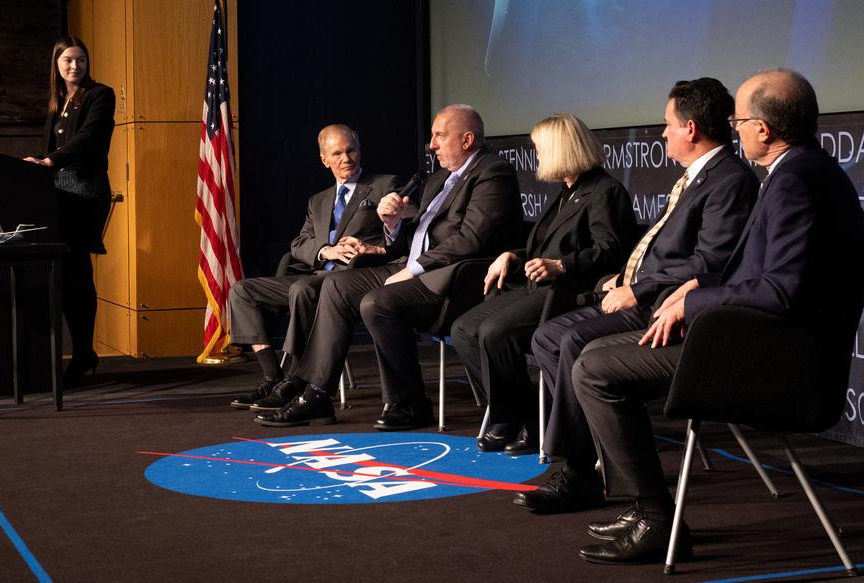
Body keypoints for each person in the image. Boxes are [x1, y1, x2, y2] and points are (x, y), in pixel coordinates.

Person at [570, 68, 864, 565]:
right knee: (595, 351)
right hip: (755, 338)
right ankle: (649, 510)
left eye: (740, 120)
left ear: (764, 130)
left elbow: (781, 291)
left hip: (771, 359)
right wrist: (702, 285)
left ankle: (657, 519)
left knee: (594, 369)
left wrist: (694, 303)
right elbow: (769, 277)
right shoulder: (803, 170)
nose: (735, 128)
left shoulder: (796, 181)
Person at [518, 78, 757, 513]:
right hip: (645, 295)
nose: (662, 133)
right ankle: (592, 457)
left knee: (574, 341)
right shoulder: (698, 178)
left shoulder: (729, 181)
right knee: (547, 337)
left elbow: (710, 263)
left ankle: (578, 471)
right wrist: (621, 280)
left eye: (667, 124)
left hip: (668, 310)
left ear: (690, 129)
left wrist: (638, 288)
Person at [256, 104, 523, 430]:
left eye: (439, 135)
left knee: (377, 302)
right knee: (336, 285)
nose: (432, 145)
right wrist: (394, 224)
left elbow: (472, 240)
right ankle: (316, 392)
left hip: (455, 281)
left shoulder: (492, 171)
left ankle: (408, 403)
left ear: (467, 139)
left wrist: (412, 270)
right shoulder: (441, 178)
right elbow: (414, 238)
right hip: (415, 267)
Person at [451, 113, 636, 456]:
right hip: (535, 285)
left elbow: (610, 252)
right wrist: (513, 255)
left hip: (567, 291)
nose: (536, 158)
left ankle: (533, 424)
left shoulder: (604, 191)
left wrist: (562, 265)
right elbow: (544, 248)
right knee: (464, 329)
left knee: (495, 332)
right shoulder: (566, 191)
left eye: (540, 150)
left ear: (561, 149)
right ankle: (510, 415)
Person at [226, 125, 398, 411]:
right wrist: (324, 250)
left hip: (352, 279)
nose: (347, 158)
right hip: (314, 274)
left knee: (302, 290)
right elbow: (299, 243)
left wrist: (377, 243)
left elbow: (403, 232)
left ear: (360, 150)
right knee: (242, 290)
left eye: (351, 150)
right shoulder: (318, 200)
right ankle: (273, 376)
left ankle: (297, 380)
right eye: (338, 153)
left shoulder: (385, 185)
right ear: (324, 160)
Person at [25, 36, 115, 387]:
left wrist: (50, 161)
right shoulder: (56, 101)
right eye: (68, 61)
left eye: (80, 60)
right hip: (57, 192)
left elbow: (90, 137)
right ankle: (81, 354)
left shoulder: (99, 95)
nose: (75, 66)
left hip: (85, 190)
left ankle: (82, 354)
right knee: (65, 274)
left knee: (76, 272)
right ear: (57, 65)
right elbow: (51, 148)